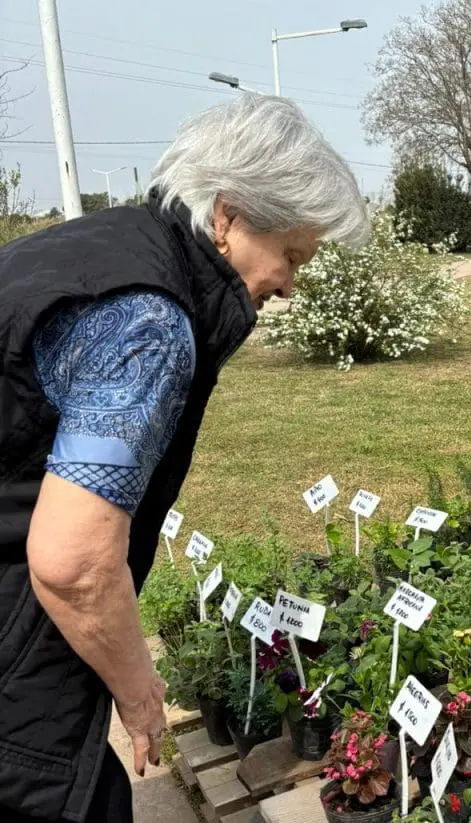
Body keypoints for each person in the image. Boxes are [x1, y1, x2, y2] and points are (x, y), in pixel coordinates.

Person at [0, 94, 369, 822]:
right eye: (291, 255)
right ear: (227, 216)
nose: (291, 283)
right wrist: (141, 695)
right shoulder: (150, 319)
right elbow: (74, 564)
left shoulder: (95, 246)